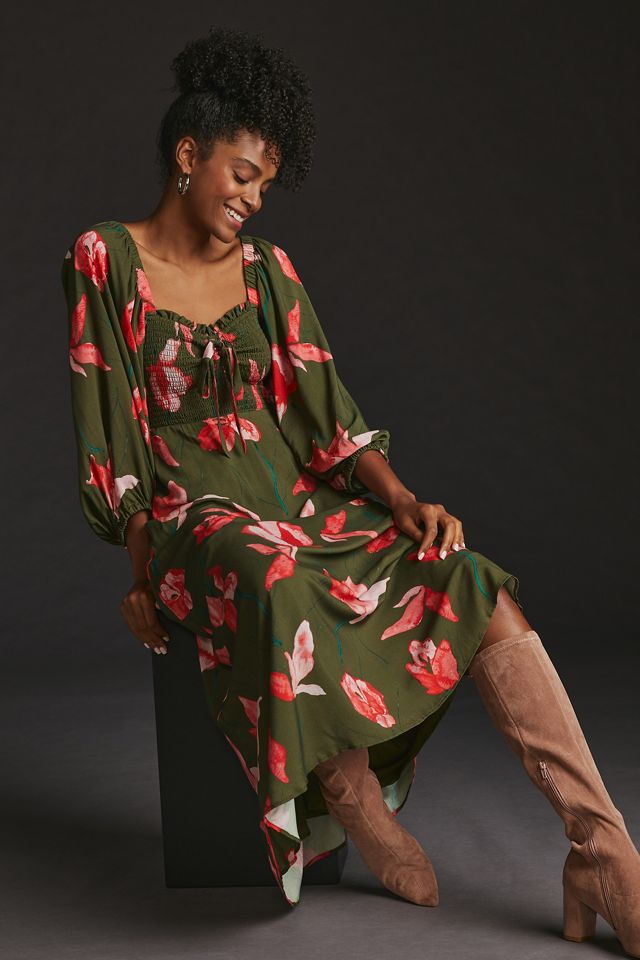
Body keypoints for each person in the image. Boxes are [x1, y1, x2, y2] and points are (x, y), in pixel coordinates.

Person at [60, 25, 640, 955]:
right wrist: (139, 569)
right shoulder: (105, 258)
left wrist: (403, 500)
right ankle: (354, 798)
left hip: (294, 503)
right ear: (188, 154)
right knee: (271, 569)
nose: (253, 198)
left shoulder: (270, 273)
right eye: (243, 174)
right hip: (193, 516)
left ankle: (603, 851)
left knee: (468, 577)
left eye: (265, 185)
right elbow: (111, 425)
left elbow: (329, 418)